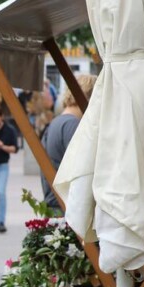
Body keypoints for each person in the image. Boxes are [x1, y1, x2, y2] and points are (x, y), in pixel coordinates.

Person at [41, 74, 97, 213]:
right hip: (65, 207)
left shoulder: (57, 123)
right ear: (89, 97)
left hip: (55, 205)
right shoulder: (73, 125)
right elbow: (83, 170)